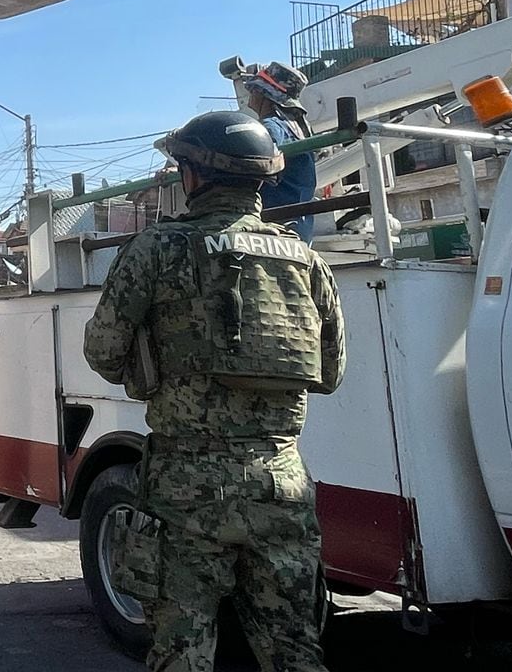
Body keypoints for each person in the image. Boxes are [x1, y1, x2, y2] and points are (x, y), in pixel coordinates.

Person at [83, 112, 345, 672]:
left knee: (183, 647)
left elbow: (103, 351)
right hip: (281, 482)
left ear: (194, 177)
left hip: (186, 486)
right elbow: (331, 371)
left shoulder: (156, 248)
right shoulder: (307, 260)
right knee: (295, 648)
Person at [232, 60, 318, 241]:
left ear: (263, 94)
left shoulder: (272, 126)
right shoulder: (299, 128)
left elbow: (254, 162)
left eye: (254, 89)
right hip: (299, 225)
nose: (251, 93)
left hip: (276, 227)